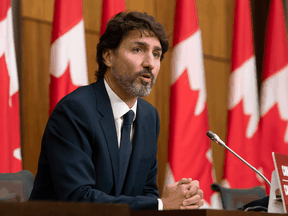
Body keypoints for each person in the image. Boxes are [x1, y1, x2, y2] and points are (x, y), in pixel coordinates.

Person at [29, 11, 204, 210]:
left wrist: (179, 202)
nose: (150, 63)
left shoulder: (148, 116)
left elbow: (146, 191)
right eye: (138, 50)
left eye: (156, 54)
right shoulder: (76, 110)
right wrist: (160, 205)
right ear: (108, 56)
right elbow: (77, 198)